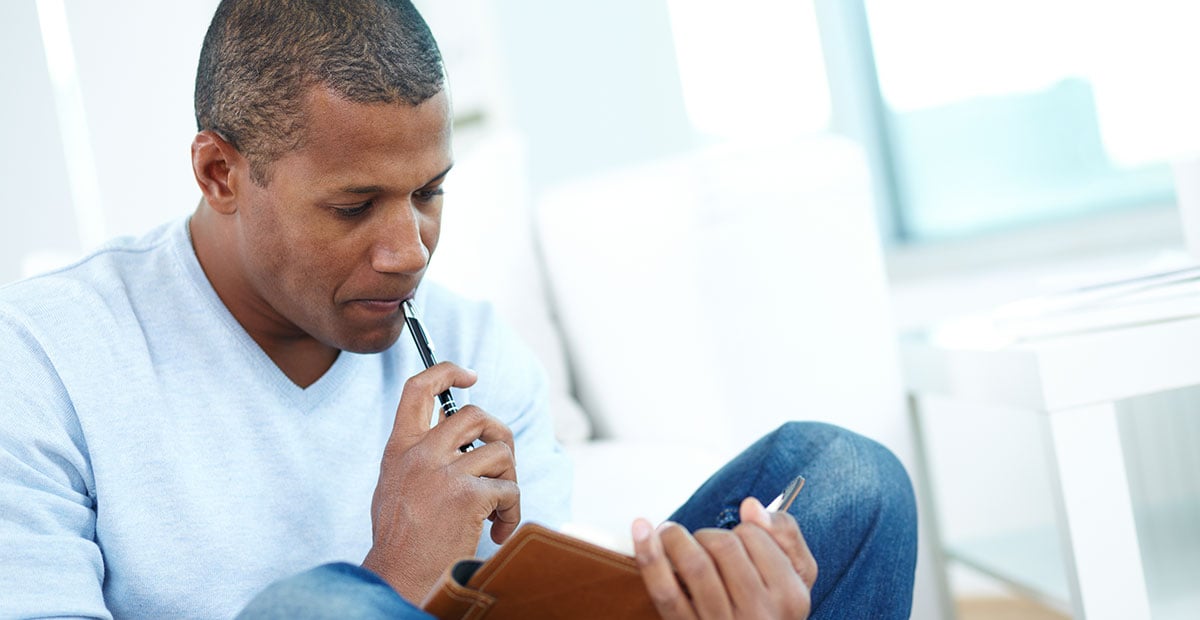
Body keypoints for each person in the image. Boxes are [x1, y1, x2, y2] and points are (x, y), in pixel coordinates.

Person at [0, 1, 918, 618]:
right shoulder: (48, 360)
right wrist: (394, 571)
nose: (409, 251)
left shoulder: (475, 349)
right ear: (221, 173)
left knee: (848, 481)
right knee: (325, 604)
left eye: (429, 193)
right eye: (355, 206)